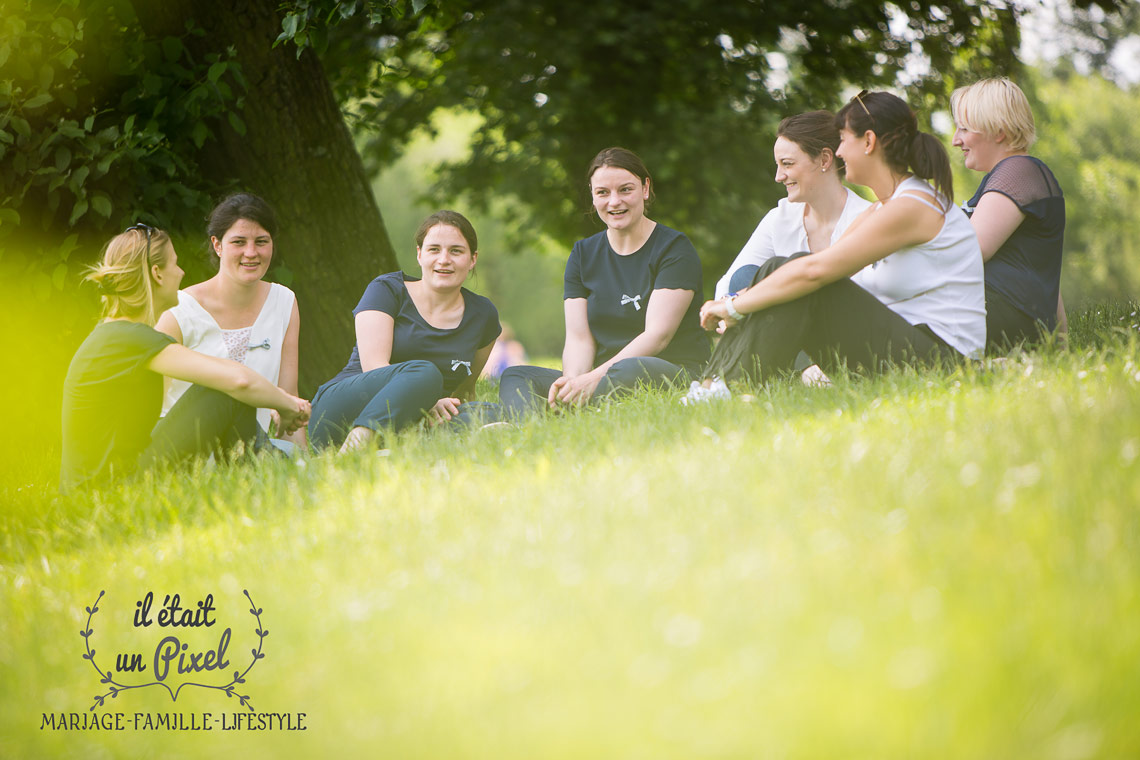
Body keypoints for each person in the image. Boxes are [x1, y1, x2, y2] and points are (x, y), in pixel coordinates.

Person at [693, 90, 985, 394]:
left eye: (843, 140)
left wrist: (734, 306)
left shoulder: (914, 205)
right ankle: (713, 385)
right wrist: (738, 300)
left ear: (868, 142)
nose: (840, 152)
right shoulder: (883, 208)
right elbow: (814, 267)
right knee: (782, 268)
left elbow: (816, 271)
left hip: (944, 361)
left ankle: (725, 387)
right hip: (907, 347)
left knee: (800, 273)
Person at [60, 225, 310, 493]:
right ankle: (270, 481)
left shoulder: (116, 335)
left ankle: (270, 469)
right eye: (175, 264)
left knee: (228, 392)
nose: (181, 273)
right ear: (157, 274)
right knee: (225, 392)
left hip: (110, 484)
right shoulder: (127, 338)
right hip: (112, 491)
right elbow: (238, 380)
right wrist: (288, 405)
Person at [499, 147, 710, 414]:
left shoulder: (674, 248)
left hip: (666, 370)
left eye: (625, 190)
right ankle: (526, 424)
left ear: (645, 189)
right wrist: (573, 382)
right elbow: (579, 338)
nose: (614, 202)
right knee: (516, 376)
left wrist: (595, 377)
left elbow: (658, 336)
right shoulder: (582, 254)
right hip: (601, 375)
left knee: (628, 369)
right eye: (603, 192)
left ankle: (564, 414)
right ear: (592, 194)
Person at [309, 210, 501, 452]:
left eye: (456, 251)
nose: (444, 259)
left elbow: (464, 391)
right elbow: (374, 368)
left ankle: (391, 448)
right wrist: (424, 401)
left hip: (414, 420)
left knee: (489, 413)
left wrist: (464, 414)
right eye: (434, 249)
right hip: (341, 410)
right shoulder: (387, 290)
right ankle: (352, 451)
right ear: (419, 254)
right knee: (425, 373)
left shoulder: (483, 314)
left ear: (472, 259)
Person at [156, 193, 304, 448]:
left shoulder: (284, 302)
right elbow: (154, 405)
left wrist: (303, 462)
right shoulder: (178, 310)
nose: (251, 253)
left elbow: (290, 401)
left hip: (251, 450)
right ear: (217, 245)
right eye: (239, 242)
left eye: (261, 241)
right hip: (187, 450)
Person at [950, 77, 1067, 351]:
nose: (956, 140)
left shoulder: (1017, 171)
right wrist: (1060, 344)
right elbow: (1042, 270)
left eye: (964, 128)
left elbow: (969, 250)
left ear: (999, 131)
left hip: (1002, 315)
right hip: (1012, 316)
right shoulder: (1016, 173)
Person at [714, 111, 872, 300]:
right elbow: (727, 285)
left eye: (787, 164)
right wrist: (728, 304)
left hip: (847, 315)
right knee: (743, 277)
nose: (778, 177)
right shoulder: (779, 218)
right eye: (778, 165)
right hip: (784, 317)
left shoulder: (869, 218)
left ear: (824, 159)